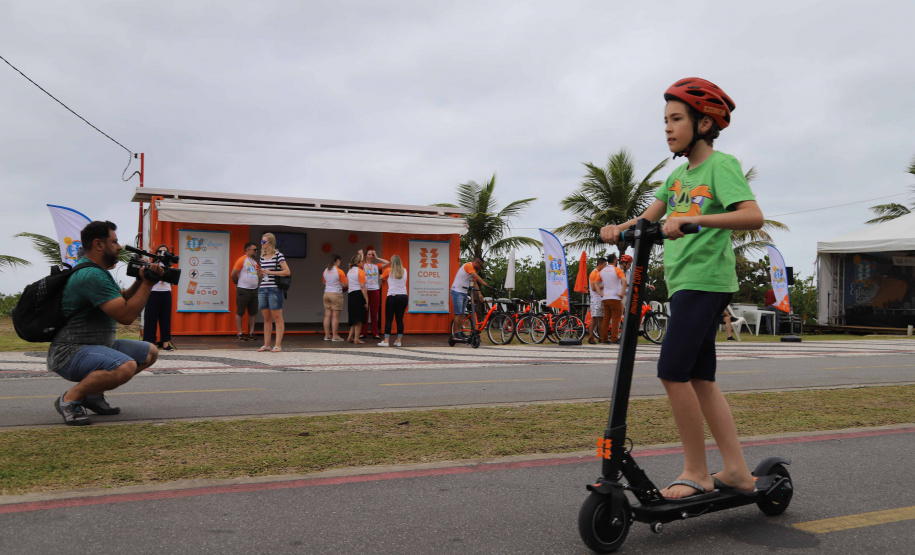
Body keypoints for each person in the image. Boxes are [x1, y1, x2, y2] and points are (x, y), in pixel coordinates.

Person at [600, 77, 765, 499]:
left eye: (677, 119)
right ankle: (738, 472)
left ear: (705, 123)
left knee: (672, 372)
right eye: (665, 120)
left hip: (706, 281)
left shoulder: (720, 166)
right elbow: (647, 219)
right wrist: (618, 229)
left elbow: (752, 216)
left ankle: (697, 471)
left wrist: (694, 221)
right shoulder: (676, 177)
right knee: (701, 378)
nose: (668, 128)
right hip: (684, 284)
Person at [47, 220, 163, 426]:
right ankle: (69, 399)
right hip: (70, 352)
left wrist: (140, 279)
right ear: (99, 245)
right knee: (124, 366)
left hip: (95, 347)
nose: (119, 247)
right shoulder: (90, 274)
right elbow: (126, 316)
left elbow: (124, 298)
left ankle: (92, 395)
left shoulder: (98, 271)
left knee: (149, 352)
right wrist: (148, 284)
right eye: (115, 241)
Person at [257, 232, 290, 352]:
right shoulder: (262, 257)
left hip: (274, 289)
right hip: (263, 287)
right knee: (266, 319)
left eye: (263, 241)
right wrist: (260, 272)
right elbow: (263, 275)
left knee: (277, 318)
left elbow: (287, 271)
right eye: (261, 241)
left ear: (270, 243)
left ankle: (278, 345)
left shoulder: (278, 255)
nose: (261, 243)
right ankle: (266, 344)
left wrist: (271, 272)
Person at [142, 244, 175, 351]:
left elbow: (173, 281)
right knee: (150, 317)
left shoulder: (170, 265)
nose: (162, 254)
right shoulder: (152, 264)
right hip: (153, 292)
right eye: (160, 252)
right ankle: (150, 342)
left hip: (166, 292)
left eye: (165, 252)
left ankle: (165, 343)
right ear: (156, 253)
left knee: (165, 318)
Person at [450, 256, 488, 339]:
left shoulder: (472, 271)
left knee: (462, 314)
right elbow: (476, 277)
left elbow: (474, 282)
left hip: (463, 292)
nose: (480, 268)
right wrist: (484, 283)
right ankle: (456, 332)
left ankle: (460, 331)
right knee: (458, 313)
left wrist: (479, 294)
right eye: (480, 266)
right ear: (476, 263)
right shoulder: (468, 266)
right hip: (457, 291)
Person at [231, 241, 261, 341]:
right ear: (248, 250)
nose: (256, 251)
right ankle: (240, 333)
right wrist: (237, 283)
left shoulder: (254, 262)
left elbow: (259, 273)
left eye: (257, 249)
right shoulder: (242, 260)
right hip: (243, 289)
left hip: (254, 290)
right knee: (240, 311)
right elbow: (234, 274)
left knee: (252, 312)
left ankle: (251, 332)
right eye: (254, 250)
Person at [379, 254, 408, 347]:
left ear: (392, 262)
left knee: (389, 320)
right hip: (403, 297)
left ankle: (386, 341)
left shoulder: (389, 270)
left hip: (392, 297)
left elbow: (380, 277)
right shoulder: (405, 271)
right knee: (400, 320)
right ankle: (399, 341)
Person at [597, 253, 627, 344]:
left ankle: (604, 338)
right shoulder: (617, 270)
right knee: (616, 319)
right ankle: (614, 338)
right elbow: (624, 280)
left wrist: (600, 293)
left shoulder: (602, 271)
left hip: (605, 298)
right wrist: (622, 293)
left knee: (606, 318)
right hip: (615, 297)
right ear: (614, 260)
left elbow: (595, 283)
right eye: (617, 259)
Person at [362, 246, 390, 340]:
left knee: (374, 312)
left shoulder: (376, 266)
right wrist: (361, 256)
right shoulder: (363, 265)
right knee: (364, 312)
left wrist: (377, 257)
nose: (371, 256)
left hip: (375, 289)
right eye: (369, 254)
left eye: (372, 255)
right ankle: (363, 332)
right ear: (366, 255)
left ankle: (375, 333)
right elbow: (356, 264)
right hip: (365, 290)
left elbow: (387, 262)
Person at [322, 253, 348, 342]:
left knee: (327, 315)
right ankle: (335, 336)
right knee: (335, 317)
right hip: (336, 294)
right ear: (337, 261)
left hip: (326, 293)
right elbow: (344, 284)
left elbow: (324, 283)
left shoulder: (325, 270)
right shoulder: (340, 271)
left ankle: (327, 335)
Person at [345, 253, 369, 344]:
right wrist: (366, 299)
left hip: (351, 294)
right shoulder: (360, 272)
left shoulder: (349, 271)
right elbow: (363, 287)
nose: (364, 263)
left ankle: (350, 337)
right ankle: (356, 339)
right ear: (358, 263)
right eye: (362, 261)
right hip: (358, 294)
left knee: (354, 318)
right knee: (359, 319)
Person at [588, 257, 608, 344]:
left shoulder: (601, 274)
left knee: (601, 318)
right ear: (600, 264)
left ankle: (601, 337)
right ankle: (591, 337)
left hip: (601, 298)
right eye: (604, 265)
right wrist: (604, 286)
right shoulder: (594, 274)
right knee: (594, 318)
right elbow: (593, 287)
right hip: (595, 299)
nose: (605, 266)